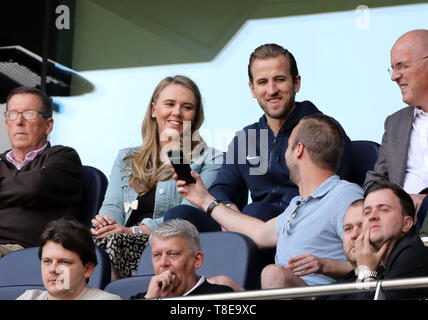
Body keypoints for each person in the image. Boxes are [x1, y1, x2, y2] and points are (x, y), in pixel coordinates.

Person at [164, 43, 352, 232]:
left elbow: (333, 195)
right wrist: (229, 212)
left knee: (256, 210)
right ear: (252, 89)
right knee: (178, 217)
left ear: (296, 83)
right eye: (262, 82)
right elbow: (221, 188)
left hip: (302, 229)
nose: (271, 90)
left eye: (279, 79)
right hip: (252, 228)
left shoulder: (321, 130)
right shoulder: (248, 138)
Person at [176, 114, 363, 288]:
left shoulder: (344, 195)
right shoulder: (298, 204)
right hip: (280, 293)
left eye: (288, 146)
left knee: (274, 274)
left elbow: (375, 263)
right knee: (221, 283)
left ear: (298, 150)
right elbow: (258, 233)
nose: (284, 154)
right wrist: (204, 200)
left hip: (322, 295)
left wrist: (326, 266)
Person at [91, 75, 223, 278]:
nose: (177, 112)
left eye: (187, 107)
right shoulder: (126, 158)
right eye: (170, 104)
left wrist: (132, 232)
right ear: (154, 110)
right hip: (117, 239)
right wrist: (107, 225)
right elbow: (113, 205)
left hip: (162, 245)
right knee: (78, 245)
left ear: (195, 116)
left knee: (109, 245)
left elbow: (186, 215)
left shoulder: (211, 159)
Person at [0, 86, 82, 259]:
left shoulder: (63, 157)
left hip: (31, 253)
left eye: (29, 114)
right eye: (13, 114)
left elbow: (33, 187)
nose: (19, 121)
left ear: (48, 125)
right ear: (7, 123)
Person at [364, 29, 428, 233]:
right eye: (392, 68)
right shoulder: (395, 123)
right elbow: (374, 181)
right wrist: (396, 202)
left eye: (402, 66)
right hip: (401, 229)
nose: (394, 77)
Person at [326, 182, 428, 300]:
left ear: (406, 223)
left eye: (384, 209)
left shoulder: (412, 253)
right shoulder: (385, 263)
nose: (372, 216)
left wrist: (367, 271)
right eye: (367, 212)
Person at [17, 218, 121, 300]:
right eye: (47, 261)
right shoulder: (29, 297)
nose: (53, 269)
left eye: (64, 262)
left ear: (87, 269)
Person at [131, 219, 234, 299]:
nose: (163, 263)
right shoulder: (143, 297)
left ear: (197, 260)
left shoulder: (220, 296)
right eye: (157, 255)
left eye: (172, 254)